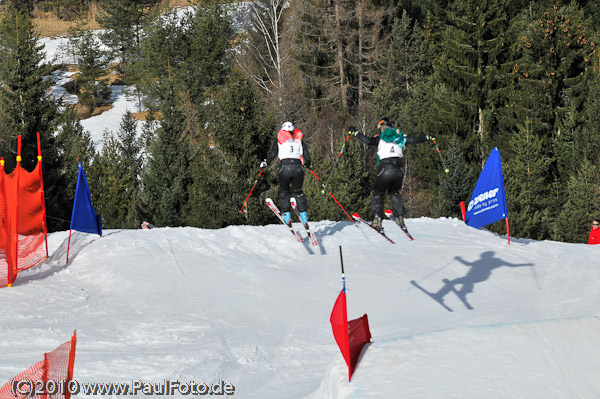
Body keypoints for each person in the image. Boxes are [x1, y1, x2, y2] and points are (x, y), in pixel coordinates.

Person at [349, 118, 434, 231]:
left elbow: (368, 141)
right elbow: (414, 139)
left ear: (380, 128)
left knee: (378, 193)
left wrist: (355, 133)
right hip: (399, 170)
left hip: (385, 168)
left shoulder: (380, 138)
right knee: (394, 192)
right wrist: (428, 137)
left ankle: (377, 220)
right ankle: (400, 217)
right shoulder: (400, 137)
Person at [261, 121, 312, 227]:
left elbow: (273, 153)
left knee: (285, 192)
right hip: (298, 168)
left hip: (284, 168)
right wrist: (308, 164)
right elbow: (306, 155)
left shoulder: (280, 138)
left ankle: (287, 217)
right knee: (298, 192)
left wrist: (266, 162)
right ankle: (304, 217)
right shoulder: (298, 139)